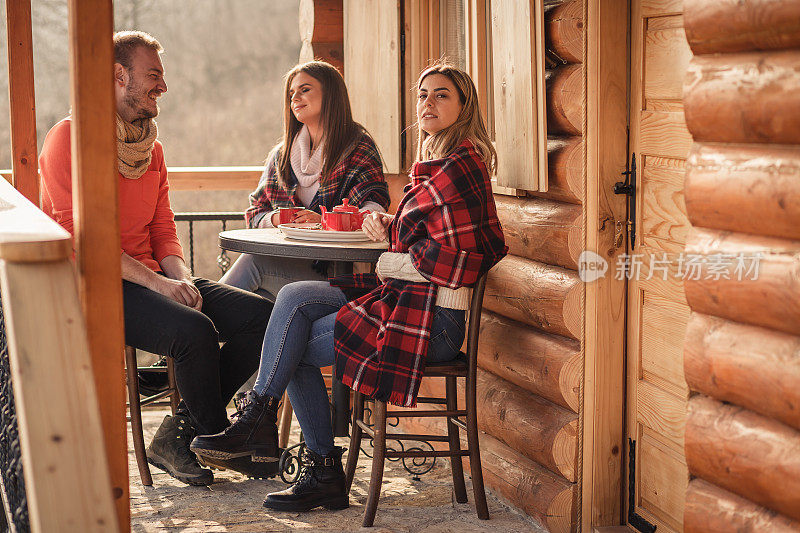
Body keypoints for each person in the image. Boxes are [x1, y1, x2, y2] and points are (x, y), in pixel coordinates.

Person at [191, 63, 507, 512]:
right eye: (423, 95)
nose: (428, 104)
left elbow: (461, 262)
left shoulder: (460, 168)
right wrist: (385, 222)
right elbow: (422, 233)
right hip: (404, 299)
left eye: (441, 96)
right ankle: (262, 418)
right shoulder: (437, 163)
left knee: (292, 344)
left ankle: (313, 464)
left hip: (434, 321)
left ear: (464, 106)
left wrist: (390, 255)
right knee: (292, 298)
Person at [39, 31, 272, 486]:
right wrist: (161, 286)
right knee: (194, 332)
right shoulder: (68, 139)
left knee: (263, 317)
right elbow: (86, 239)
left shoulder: (152, 150)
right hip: (97, 284)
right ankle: (214, 436)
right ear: (117, 75)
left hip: (151, 278)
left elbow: (162, 227)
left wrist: (182, 279)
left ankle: (177, 433)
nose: (162, 86)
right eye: (154, 76)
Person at [219, 61, 390, 300]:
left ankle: (201, 324)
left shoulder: (358, 147)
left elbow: (374, 209)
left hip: (337, 273)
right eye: (291, 93)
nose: (295, 98)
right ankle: (204, 325)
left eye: (305, 89)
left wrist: (325, 222)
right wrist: (278, 218)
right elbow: (255, 213)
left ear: (330, 94)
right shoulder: (281, 155)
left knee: (253, 264)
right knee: (256, 307)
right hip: (287, 261)